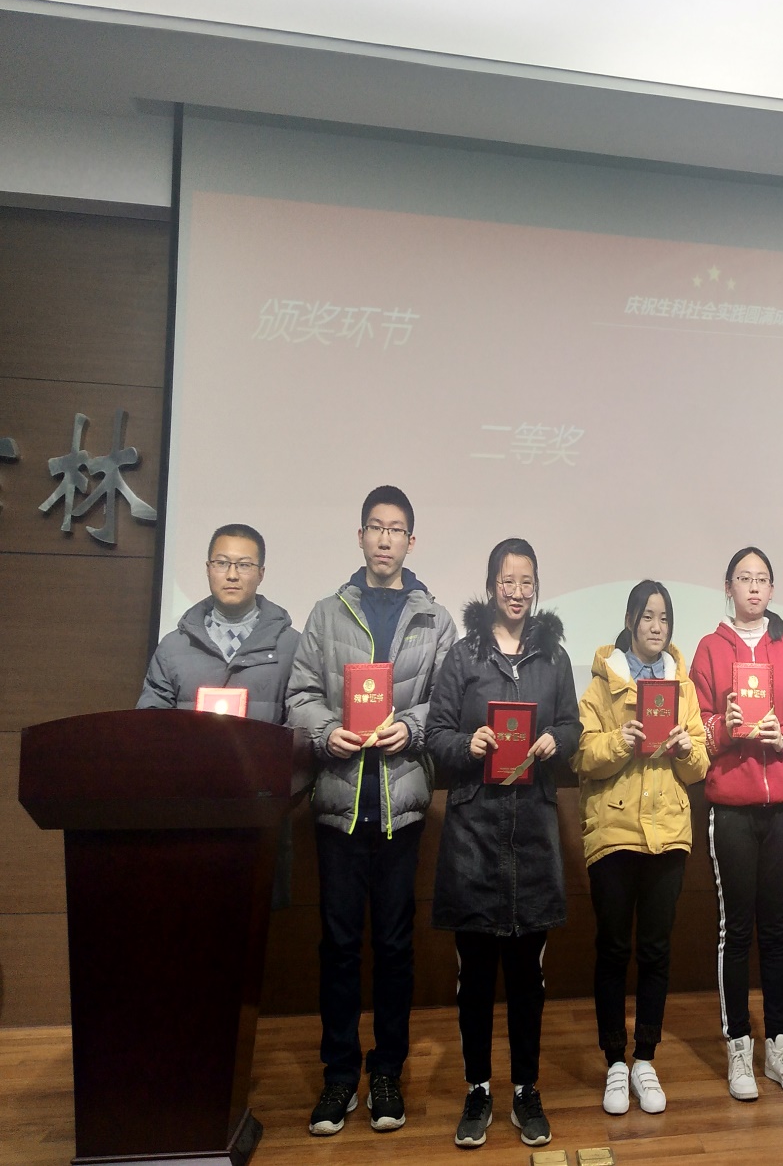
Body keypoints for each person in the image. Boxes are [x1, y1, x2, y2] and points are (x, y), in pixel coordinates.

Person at [285, 486, 457, 1136]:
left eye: (396, 529)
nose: (386, 539)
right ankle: (338, 1076)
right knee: (338, 945)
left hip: (400, 804)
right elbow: (300, 693)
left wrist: (411, 728)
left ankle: (386, 1071)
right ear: (360, 536)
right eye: (376, 528)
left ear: (412, 541)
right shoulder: (328, 613)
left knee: (393, 945)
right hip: (338, 801)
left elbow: (447, 703)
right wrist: (325, 730)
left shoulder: (434, 619)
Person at [424, 538, 581, 1151]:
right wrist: (468, 745)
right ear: (491, 585)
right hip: (474, 831)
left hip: (533, 833)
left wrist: (556, 740)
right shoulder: (464, 656)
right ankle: (477, 1089)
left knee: (526, 979)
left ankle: (525, 1089)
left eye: (526, 582)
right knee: (475, 977)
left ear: (536, 586)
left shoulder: (554, 657)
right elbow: (435, 734)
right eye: (507, 581)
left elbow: (571, 724)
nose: (517, 593)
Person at [573, 580, 710, 1117]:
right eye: (647, 617)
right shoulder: (601, 684)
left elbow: (699, 767)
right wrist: (619, 741)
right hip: (614, 832)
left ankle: (645, 1058)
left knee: (655, 950)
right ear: (630, 620)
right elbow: (582, 756)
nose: (656, 627)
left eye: (664, 619)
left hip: (668, 834)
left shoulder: (683, 687)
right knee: (613, 949)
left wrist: (685, 748)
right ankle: (614, 1060)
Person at [689, 546, 783, 1102]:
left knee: (778, 928)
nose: (753, 587)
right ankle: (739, 1046)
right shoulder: (709, 648)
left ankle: (780, 1046)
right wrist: (725, 726)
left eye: (761, 579)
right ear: (728, 587)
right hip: (732, 808)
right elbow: (694, 723)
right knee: (736, 929)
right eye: (743, 578)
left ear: (771, 588)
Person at [138, 522, 300, 907]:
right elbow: (149, 727)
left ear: (261, 573)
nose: (231, 574)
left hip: (260, 814)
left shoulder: (292, 646)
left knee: (253, 927)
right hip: (190, 811)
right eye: (222, 562)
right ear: (208, 568)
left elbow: (301, 725)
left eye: (244, 565)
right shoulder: (174, 647)